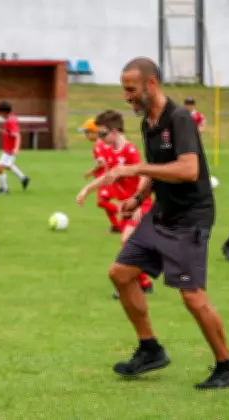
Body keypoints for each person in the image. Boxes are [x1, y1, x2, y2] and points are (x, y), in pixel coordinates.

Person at [101, 56, 229, 389]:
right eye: (124, 90)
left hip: (189, 218)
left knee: (192, 296)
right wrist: (137, 198)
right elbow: (157, 166)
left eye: (131, 89)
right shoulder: (147, 122)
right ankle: (150, 349)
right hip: (161, 213)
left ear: (151, 83)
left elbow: (188, 170)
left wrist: (136, 170)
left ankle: (228, 366)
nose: (127, 97)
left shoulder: (178, 118)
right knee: (121, 274)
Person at [75, 110, 154, 298]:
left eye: (103, 134)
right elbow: (108, 177)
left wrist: (137, 200)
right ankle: (144, 283)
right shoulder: (110, 151)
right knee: (130, 243)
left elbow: (144, 174)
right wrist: (87, 189)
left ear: (115, 131)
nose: (100, 138)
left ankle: (124, 285)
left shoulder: (130, 151)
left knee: (126, 241)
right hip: (126, 206)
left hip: (140, 204)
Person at [81, 117, 120, 233]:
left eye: (87, 132)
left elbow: (102, 163)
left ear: (95, 132)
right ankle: (116, 226)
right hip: (109, 177)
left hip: (105, 178)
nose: (86, 136)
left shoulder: (98, 146)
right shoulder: (105, 144)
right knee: (104, 201)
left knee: (101, 202)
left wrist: (92, 171)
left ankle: (127, 212)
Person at [0, 101, 30, 194]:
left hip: (10, 150)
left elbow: (17, 135)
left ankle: (4, 189)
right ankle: (23, 178)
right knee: (7, 166)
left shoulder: (11, 121)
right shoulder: (9, 120)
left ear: (3, 112)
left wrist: (16, 148)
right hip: (7, 149)